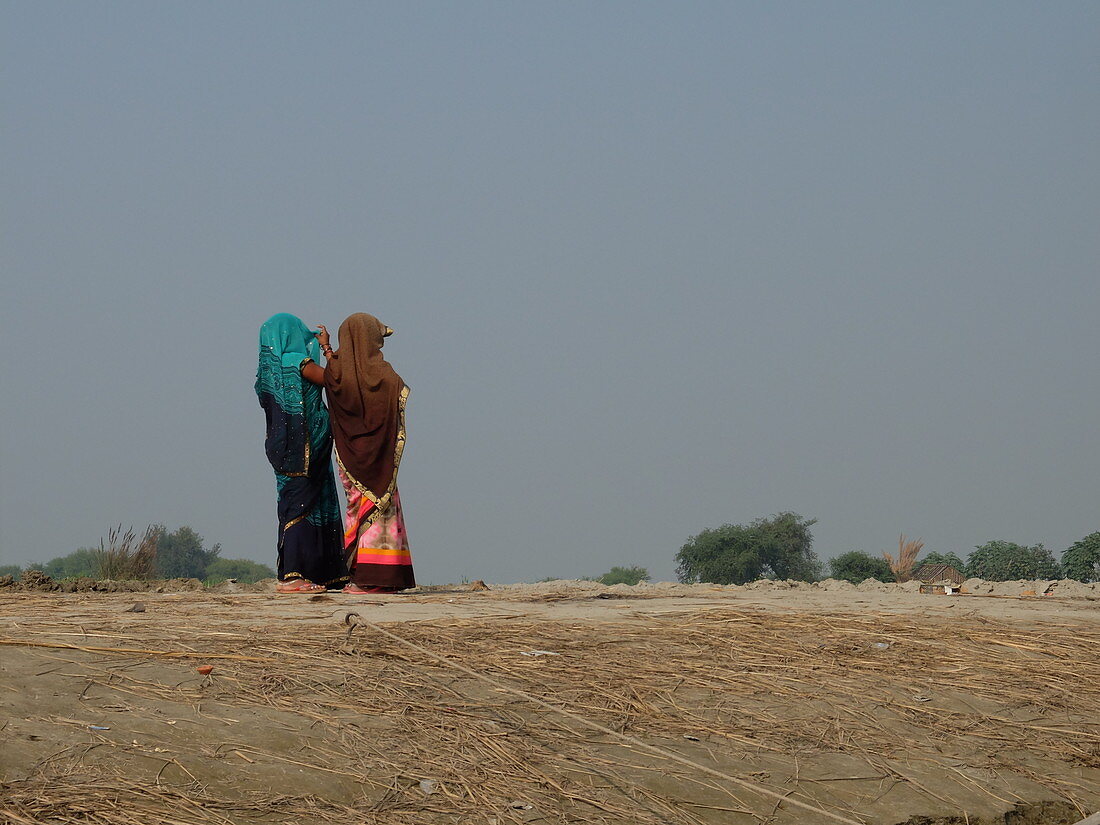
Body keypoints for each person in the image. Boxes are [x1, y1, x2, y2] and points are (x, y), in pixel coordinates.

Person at [306, 313, 414, 594]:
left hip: (351, 459)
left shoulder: (338, 376)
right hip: (381, 461)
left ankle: (367, 578)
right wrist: (330, 352)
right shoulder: (387, 375)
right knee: (385, 511)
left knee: (361, 511)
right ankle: (383, 578)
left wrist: (326, 350)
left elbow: (335, 378)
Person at [255, 313, 347, 593]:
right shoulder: (299, 363)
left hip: (282, 450)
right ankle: (293, 578)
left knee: (295, 506)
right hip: (307, 448)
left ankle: (315, 574)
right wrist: (327, 349)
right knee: (303, 507)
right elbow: (335, 381)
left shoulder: (265, 375)